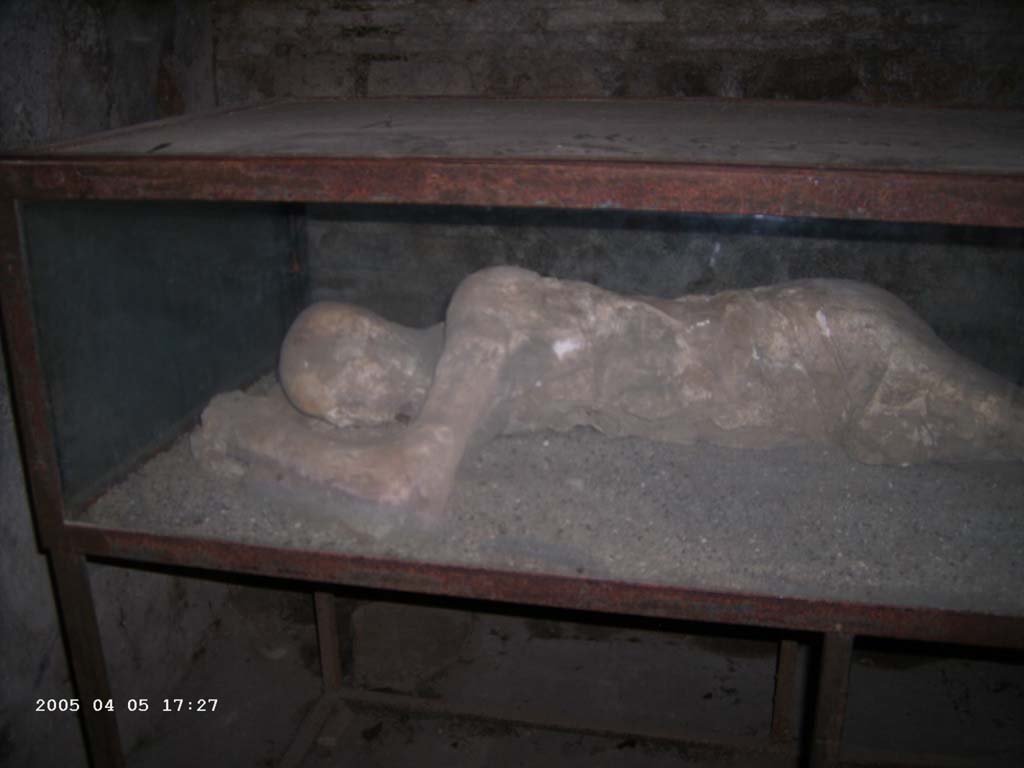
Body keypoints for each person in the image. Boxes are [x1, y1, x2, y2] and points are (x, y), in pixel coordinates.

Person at [194, 267, 1023, 525]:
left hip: (818, 352)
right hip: (811, 400)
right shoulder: (473, 375)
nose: (360, 417)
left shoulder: (481, 315)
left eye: (345, 401)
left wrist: (246, 429)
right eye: (344, 413)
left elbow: (406, 489)